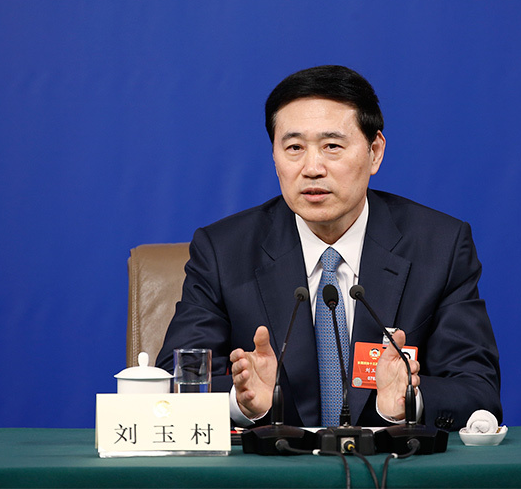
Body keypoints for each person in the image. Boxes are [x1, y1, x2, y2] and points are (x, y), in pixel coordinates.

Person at [157, 65, 501, 430]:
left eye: (332, 146)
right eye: (294, 148)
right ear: (274, 156)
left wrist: (408, 400)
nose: (312, 168)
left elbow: (478, 391)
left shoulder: (439, 246)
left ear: (375, 152)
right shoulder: (223, 251)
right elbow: (174, 384)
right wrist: (240, 401)